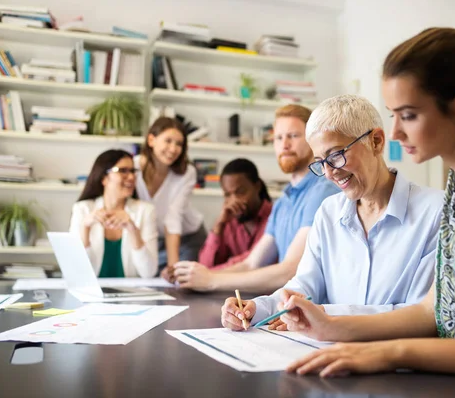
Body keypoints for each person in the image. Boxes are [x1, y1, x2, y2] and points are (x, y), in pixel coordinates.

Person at [274, 28, 455, 378]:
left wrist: (391, 353)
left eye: (408, 115)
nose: (394, 132)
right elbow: (433, 311)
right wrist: (329, 327)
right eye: (393, 114)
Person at [221, 95, 444, 331]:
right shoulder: (329, 211)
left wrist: (329, 314)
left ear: (376, 141)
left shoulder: (435, 212)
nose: (329, 173)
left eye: (336, 155)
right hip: (329, 353)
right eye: (320, 162)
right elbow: (305, 286)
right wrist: (256, 308)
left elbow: (422, 314)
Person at [173, 104, 339, 293]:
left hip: (319, 310)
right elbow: (252, 263)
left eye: (293, 136)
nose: (284, 144)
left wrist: (212, 280)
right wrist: (199, 277)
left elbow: (291, 270)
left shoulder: (323, 189)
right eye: (278, 138)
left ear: (312, 139)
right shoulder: (284, 200)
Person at [134, 116, 206, 278]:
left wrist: (173, 266)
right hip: (155, 238)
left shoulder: (187, 172)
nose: (173, 149)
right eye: (168, 141)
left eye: (179, 144)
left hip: (188, 237)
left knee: (180, 281)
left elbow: (173, 218)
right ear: (151, 140)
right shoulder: (133, 167)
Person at [69, 149, 158, 278]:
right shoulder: (82, 209)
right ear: (104, 178)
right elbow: (78, 273)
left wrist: (133, 230)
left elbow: (148, 272)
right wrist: (85, 228)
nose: (131, 177)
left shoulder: (146, 211)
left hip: (131, 295)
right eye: (123, 171)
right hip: (92, 294)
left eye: (133, 171)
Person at [198, 158, 273, 269]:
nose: (234, 201)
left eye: (240, 192)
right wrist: (218, 226)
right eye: (228, 194)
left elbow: (255, 261)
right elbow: (205, 265)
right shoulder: (228, 221)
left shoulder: (275, 217)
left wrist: (210, 274)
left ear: (257, 186)